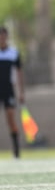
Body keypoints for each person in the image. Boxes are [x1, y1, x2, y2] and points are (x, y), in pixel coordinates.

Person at [0, 26, 24, 159]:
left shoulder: (13, 53)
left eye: (3, 36)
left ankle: (16, 151)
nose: (1, 39)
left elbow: (19, 73)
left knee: (10, 118)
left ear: (6, 37)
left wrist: (21, 92)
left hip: (8, 90)